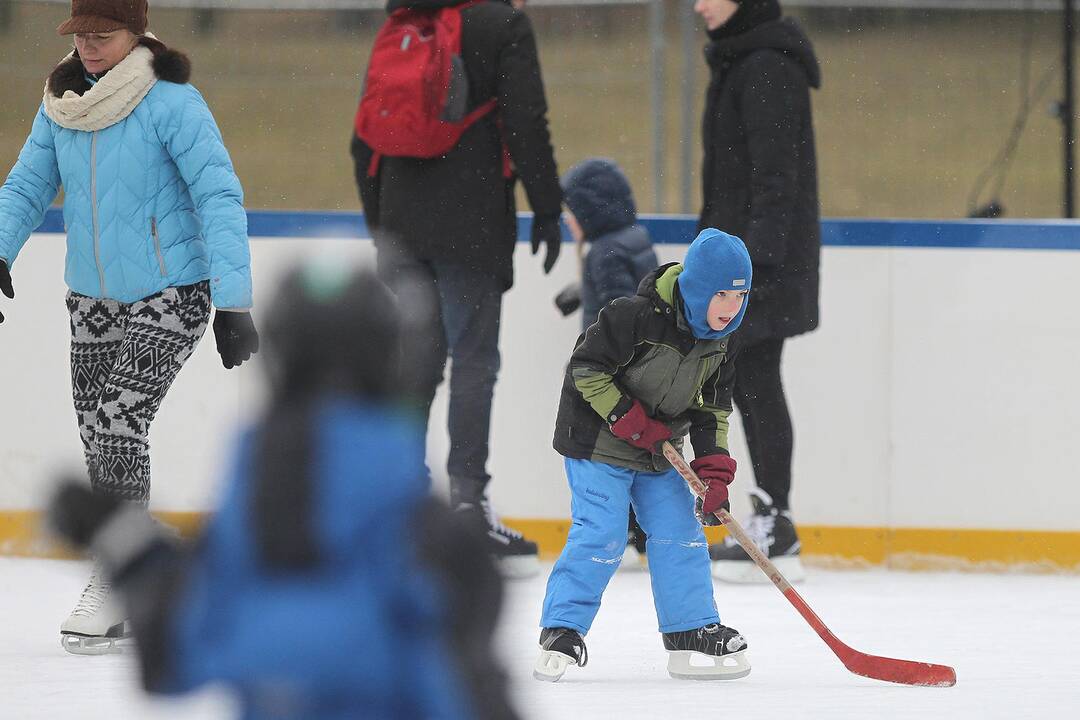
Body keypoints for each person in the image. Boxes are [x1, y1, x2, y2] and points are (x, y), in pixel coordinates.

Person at [47, 264, 519, 720]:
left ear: (278, 363)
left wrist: (128, 546)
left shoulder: (243, 528)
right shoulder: (431, 540)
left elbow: (171, 656)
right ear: (390, 362)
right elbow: (469, 696)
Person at [0, 0, 258, 653]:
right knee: (100, 441)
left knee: (118, 424)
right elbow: (28, 184)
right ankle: (140, 563)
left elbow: (218, 194)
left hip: (173, 292)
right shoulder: (61, 102)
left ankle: (118, 580)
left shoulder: (171, 101)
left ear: (136, 33)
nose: (88, 46)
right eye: (80, 35)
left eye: (102, 35)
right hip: (90, 298)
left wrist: (233, 302)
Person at [351, 0, 563, 579]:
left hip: (400, 217)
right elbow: (526, 121)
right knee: (472, 361)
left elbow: (362, 137)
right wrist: (546, 207)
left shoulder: (404, 19)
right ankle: (468, 505)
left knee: (414, 365)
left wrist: (381, 224)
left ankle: (402, 507)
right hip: (471, 221)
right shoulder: (501, 23)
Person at [535, 228, 753, 683]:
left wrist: (714, 471)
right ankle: (562, 629)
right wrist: (629, 419)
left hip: (659, 449)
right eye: (722, 296)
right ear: (696, 288)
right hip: (597, 443)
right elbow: (584, 370)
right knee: (604, 534)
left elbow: (712, 408)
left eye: (741, 297)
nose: (732, 309)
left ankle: (690, 630)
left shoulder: (722, 342)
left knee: (681, 531)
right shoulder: (631, 316)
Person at [694, 0, 821, 583]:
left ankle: (777, 519)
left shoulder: (765, 65)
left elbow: (776, 178)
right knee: (747, 378)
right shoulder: (741, 61)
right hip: (741, 257)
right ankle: (774, 513)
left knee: (756, 377)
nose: (699, 6)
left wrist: (750, 267)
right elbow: (728, 176)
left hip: (759, 264)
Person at [553, 157, 658, 570]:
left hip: (613, 372)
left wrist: (600, 364)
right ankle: (641, 528)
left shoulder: (604, 250)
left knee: (608, 452)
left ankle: (628, 529)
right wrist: (583, 290)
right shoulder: (633, 238)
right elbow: (636, 291)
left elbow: (618, 308)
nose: (568, 222)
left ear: (591, 212)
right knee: (632, 449)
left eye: (572, 214)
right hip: (643, 366)